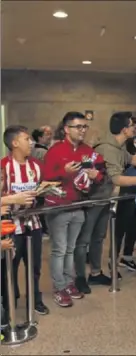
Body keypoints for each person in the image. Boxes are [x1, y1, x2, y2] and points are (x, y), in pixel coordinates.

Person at [43, 112, 105, 307]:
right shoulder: (55, 150)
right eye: (78, 127)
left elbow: (100, 173)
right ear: (66, 129)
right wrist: (64, 172)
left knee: (70, 249)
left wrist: (97, 175)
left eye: (85, 127)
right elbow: (44, 180)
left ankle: (69, 283)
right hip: (58, 206)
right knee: (59, 249)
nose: (82, 130)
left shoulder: (88, 151)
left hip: (78, 205)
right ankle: (59, 287)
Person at [84, 112, 136, 288]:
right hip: (94, 198)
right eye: (131, 125)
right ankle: (77, 278)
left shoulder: (119, 147)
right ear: (124, 129)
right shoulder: (107, 148)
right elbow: (116, 179)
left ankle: (96, 273)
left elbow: (132, 159)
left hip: (105, 198)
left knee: (98, 237)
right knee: (85, 239)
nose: (134, 129)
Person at [1, 125, 49, 315]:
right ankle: (8, 300)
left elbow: (42, 187)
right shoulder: (3, 166)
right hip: (9, 226)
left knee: (34, 265)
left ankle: (35, 298)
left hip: (33, 223)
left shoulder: (36, 165)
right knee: (9, 266)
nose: (31, 143)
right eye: (26, 139)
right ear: (14, 143)